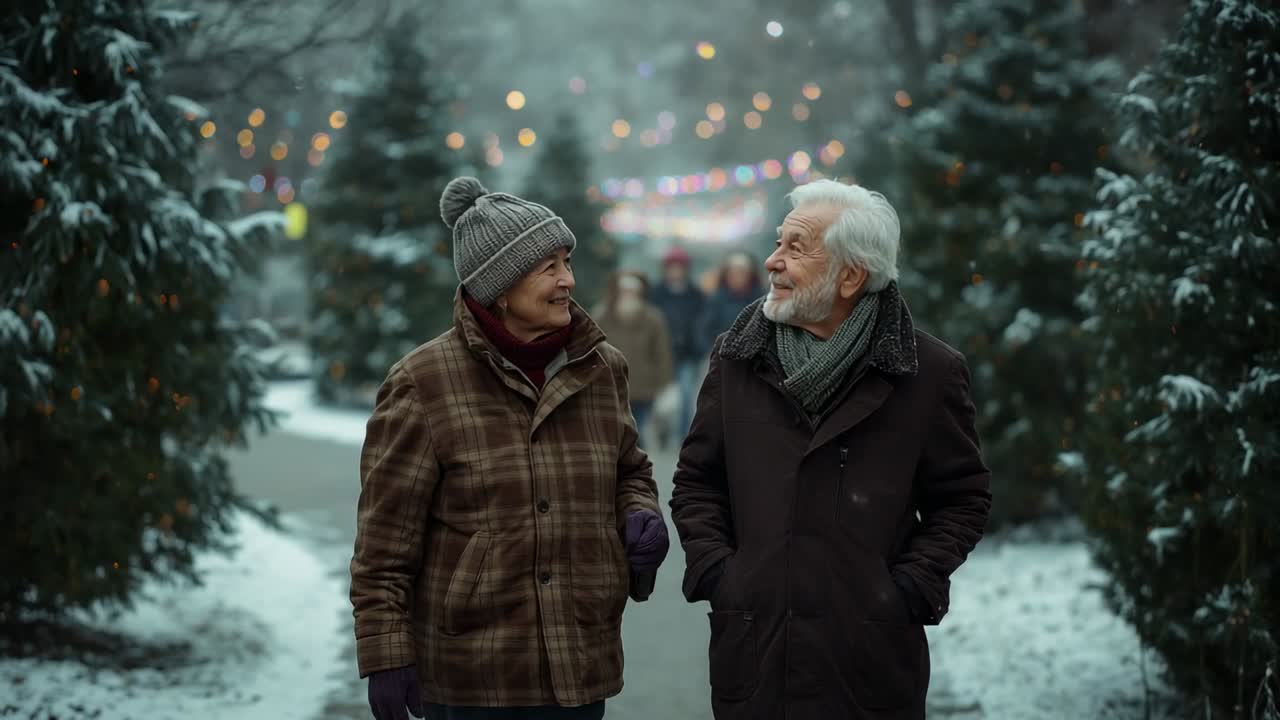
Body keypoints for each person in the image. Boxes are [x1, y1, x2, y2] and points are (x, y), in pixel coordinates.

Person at [669, 179, 992, 719]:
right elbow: (697, 481)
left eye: (796, 248)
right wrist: (721, 575)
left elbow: (962, 499)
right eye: (778, 243)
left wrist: (908, 588)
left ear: (850, 275)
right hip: (756, 654)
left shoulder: (929, 373)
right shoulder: (736, 358)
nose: (771, 262)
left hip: (868, 662)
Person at [350, 177, 670, 720]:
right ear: (499, 286)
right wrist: (385, 652)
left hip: (580, 661)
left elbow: (630, 470)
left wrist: (639, 511)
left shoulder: (601, 368)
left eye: (567, 262)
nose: (569, 280)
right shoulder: (423, 382)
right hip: (474, 674)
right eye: (549, 268)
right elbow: (384, 542)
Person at [592, 271, 673, 444]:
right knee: (613, 433)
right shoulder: (601, 315)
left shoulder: (653, 319)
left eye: (633, 292)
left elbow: (662, 354)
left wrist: (664, 385)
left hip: (643, 388)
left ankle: (637, 468)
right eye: (625, 291)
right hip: (610, 385)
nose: (628, 295)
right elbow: (591, 349)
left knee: (636, 432)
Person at [648, 245, 707, 445]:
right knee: (661, 399)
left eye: (679, 267)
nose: (675, 271)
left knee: (685, 395)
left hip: (687, 353)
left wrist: (699, 345)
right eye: (671, 267)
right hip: (661, 353)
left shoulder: (695, 294)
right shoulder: (656, 294)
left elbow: (702, 322)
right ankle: (663, 432)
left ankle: (683, 436)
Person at [700, 250, 763, 340]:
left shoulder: (761, 300)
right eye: (733, 273)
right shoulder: (716, 300)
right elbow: (704, 330)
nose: (738, 277)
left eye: (742, 273)